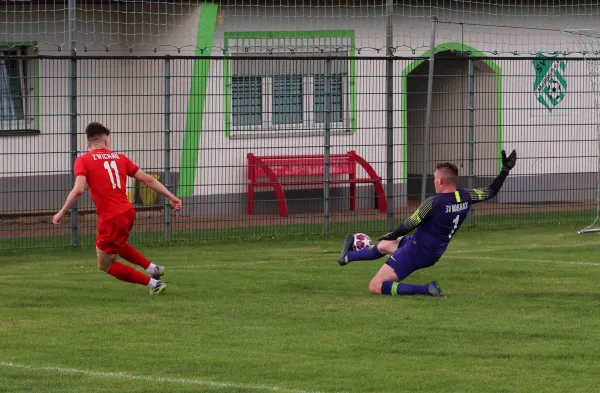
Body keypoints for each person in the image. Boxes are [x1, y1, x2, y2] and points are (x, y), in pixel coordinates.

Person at [337, 150, 517, 297]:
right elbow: (491, 191)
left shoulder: (434, 202)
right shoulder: (466, 196)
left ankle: (426, 289)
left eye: (434, 178)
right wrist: (505, 170)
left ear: (440, 181)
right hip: (430, 249)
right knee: (384, 245)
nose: (433, 181)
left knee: (375, 286)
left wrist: (392, 233)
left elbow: (410, 223)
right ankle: (346, 258)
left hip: (416, 251)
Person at [52, 122, 182, 295]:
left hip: (111, 217)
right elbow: (148, 180)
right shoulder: (120, 158)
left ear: (88, 143)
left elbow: (77, 190)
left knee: (105, 263)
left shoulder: (83, 160)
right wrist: (170, 196)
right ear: (107, 142)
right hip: (127, 211)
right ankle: (153, 268)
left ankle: (154, 284)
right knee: (117, 244)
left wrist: (61, 211)